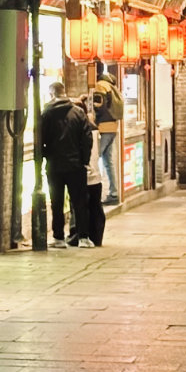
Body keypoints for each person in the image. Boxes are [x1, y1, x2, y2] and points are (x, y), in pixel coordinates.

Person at [38, 81, 92, 249]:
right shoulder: (78, 113)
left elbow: (40, 140)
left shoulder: (46, 114)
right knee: (79, 202)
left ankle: (58, 237)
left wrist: (45, 157)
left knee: (57, 202)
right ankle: (83, 237)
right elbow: (87, 139)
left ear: (52, 94)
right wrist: (84, 160)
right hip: (76, 166)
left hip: (54, 166)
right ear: (64, 92)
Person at [70, 96, 104, 249]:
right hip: (95, 174)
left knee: (81, 207)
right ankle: (96, 237)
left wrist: (84, 166)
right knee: (95, 206)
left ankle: (80, 235)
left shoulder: (82, 129)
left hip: (85, 173)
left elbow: (88, 152)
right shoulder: (93, 126)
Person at [90, 71, 123, 204]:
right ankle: (114, 193)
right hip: (113, 127)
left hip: (102, 128)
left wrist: (93, 119)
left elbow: (99, 106)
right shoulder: (113, 87)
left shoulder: (100, 86)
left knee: (93, 159)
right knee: (108, 162)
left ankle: (93, 195)